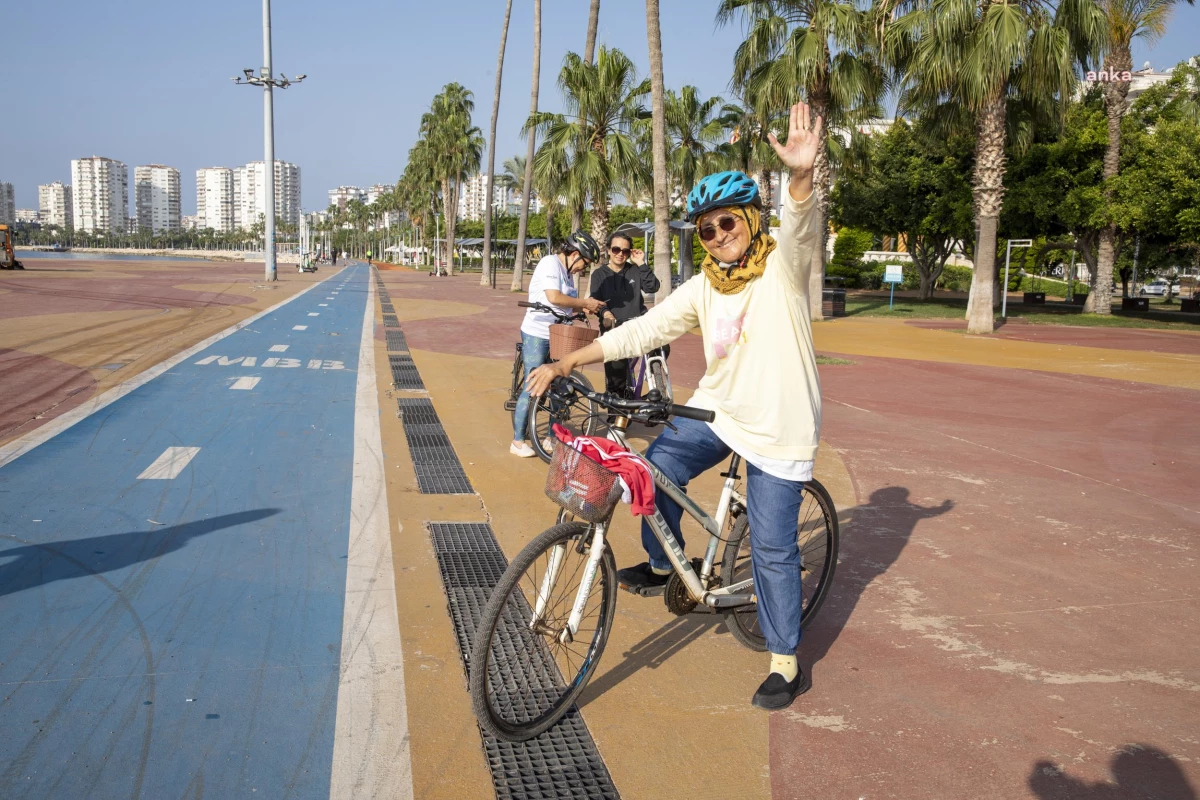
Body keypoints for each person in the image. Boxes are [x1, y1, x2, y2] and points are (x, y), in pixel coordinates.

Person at [527, 102, 824, 711]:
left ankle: (785, 660)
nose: (718, 236)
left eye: (728, 224)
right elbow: (642, 329)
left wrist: (799, 177)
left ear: (749, 219)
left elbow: (799, 224)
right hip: (720, 411)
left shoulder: (783, 271)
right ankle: (666, 566)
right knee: (653, 468)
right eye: (707, 229)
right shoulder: (705, 286)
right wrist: (564, 363)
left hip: (778, 427)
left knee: (771, 547)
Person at [510, 230, 606, 458]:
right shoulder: (550, 264)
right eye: (585, 262)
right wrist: (583, 301)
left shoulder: (568, 273)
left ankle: (551, 436)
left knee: (561, 385)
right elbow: (554, 297)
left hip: (559, 334)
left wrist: (583, 307)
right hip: (537, 332)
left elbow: (566, 304)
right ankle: (517, 441)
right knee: (533, 385)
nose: (584, 268)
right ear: (574, 254)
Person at [589, 232, 664, 398]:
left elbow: (652, 287)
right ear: (608, 250)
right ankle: (615, 412)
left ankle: (654, 381)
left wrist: (641, 263)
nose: (620, 254)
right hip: (615, 328)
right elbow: (594, 301)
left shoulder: (635, 270)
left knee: (663, 346)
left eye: (625, 251)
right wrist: (606, 313)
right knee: (616, 372)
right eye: (616, 249)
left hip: (639, 324)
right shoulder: (599, 275)